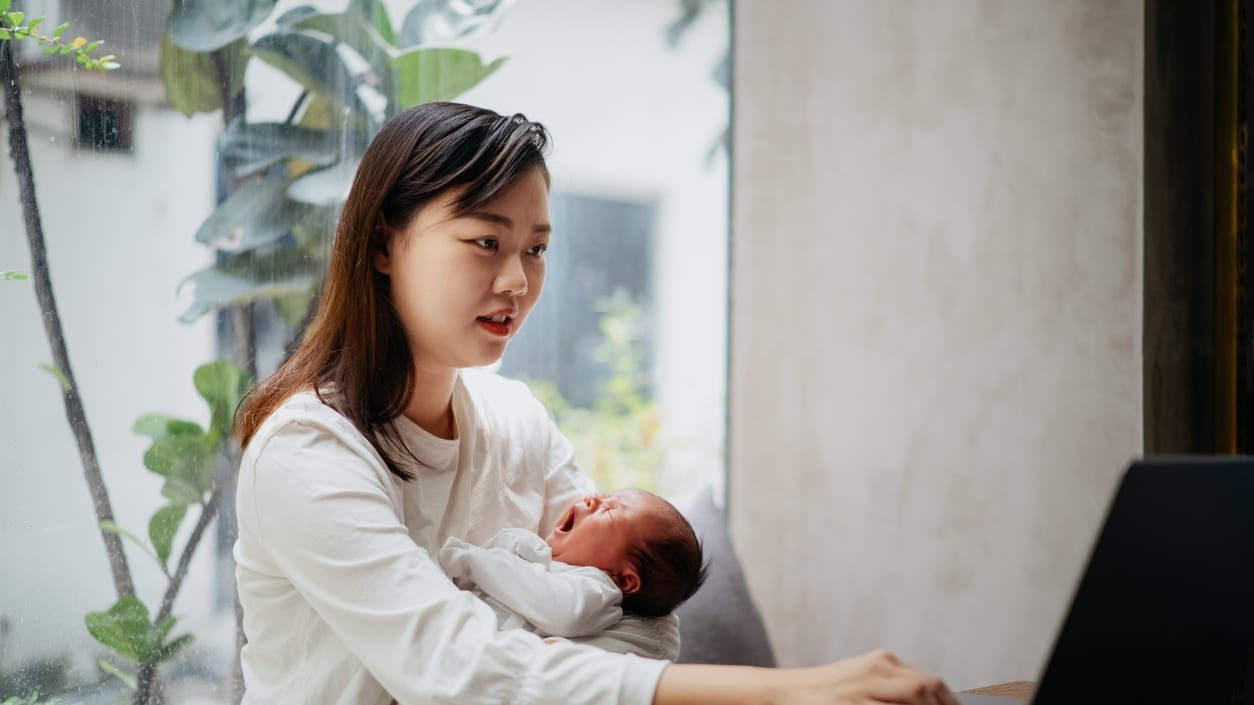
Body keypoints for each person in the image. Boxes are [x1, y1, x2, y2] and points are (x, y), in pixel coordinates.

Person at [233, 101, 961, 705]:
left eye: (537, 249)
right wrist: (787, 688)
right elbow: (459, 668)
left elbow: (631, 630)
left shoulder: (517, 422)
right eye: (486, 241)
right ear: (385, 244)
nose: (517, 280)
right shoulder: (308, 451)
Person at [437, 488, 707, 660]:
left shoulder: (598, 588)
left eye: (611, 509)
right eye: (606, 494)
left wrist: (470, 559)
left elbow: (561, 611)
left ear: (623, 578)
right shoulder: (549, 567)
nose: (593, 498)